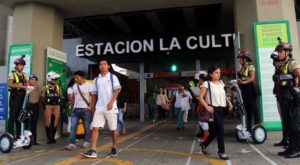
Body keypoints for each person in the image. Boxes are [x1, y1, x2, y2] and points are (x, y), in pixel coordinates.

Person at [82, 59, 121, 158]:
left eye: (104, 64)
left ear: (108, 66)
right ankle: (93, 150)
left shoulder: (113, 77)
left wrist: (111, 102)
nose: (102, 66)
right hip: (99, 108)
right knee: (95, 128)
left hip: (111, 108)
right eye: (101, 64)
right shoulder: (96, 79)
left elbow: (117, 91)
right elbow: (94, 95)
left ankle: (114, 147)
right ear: (99, 67)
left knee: (113, 129)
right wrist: (91, 106)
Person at [271, 42, 300, 158]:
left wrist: (297, 89)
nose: (279, 53)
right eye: (278, 51)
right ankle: (290, 148)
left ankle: (297, 150)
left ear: (287, 52)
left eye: (281, 51)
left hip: (293, 98)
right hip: (284, 98)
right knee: (287, 124)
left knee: (295, 125)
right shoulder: (281, 64)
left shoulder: (292, 63)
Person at [199, 65, 233, 160]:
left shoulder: (221, 82)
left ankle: (204, 144)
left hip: (223, 108)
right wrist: (207, 106)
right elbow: (201, 97)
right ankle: (221, 152)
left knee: (215, 131)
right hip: (214, 109)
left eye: (219, 72)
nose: (219, 74)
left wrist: (229, 102)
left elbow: (223, 95)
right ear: (211, 74)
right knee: (221, 130)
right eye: (216, 73)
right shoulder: (207, 83)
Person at [65, 71, 93, 150]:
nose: (75, 79)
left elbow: (94, 97)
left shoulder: (89, 86)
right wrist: (72, 107)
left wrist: (89, 107)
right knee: (73, 127)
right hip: (75, 110)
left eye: (77, 77)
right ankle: (72, 143)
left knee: (86, 127)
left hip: (85, 110)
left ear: (82, 77)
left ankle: (86, 142)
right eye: (75, 77)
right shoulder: (74, 86)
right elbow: (73, 97)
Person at [237, 51, 260, 131]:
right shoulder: (241, 69)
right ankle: (249, 128)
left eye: (240, 59)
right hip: (244, 90)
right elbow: (242, 78)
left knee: (254, 109)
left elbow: (252, 78)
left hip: (250, 89)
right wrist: (239, 81)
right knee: (247, 110)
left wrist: (244, 82)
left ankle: (258, 127)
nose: (239, 60)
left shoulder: (250, 67)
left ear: (245, 59)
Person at [7, 55, 28, 139]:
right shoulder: (12, 73)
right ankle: (10, 135)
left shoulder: (24, 75)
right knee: (12, 116)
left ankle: (19, 136)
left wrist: (27, 86)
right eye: (20, 65)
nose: (22, 66)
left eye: (23, 65)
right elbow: (10, 84)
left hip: (22, 97)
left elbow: (27, 84)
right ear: (16, 65)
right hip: (14, 96)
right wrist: (22, 87)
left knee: (20, 116)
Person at [41, 71, 62, 144]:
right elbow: (42, 98)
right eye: (54, 79)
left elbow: (60, 96)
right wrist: (44, 107)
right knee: (48, 122)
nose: (55, 81)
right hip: (48, 106)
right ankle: (48, 138)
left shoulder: (58, 87)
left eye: (56, 79)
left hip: (57, 106)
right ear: (49, 79)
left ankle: (52, 138)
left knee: (55, 122)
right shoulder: (45, 87)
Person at [27, 74, 40, 145]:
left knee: (34, 124)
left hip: (36, 107)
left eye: (35, 79)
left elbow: (36, 88)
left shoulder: (37, 87)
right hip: (29, 107)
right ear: (29, 80)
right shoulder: (28, 87)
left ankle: (34, 140)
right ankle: (28, 140)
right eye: (32, 79)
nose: (33, 81)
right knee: (28, 123)